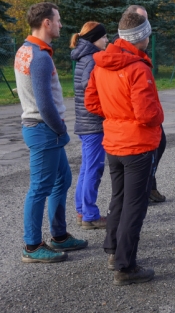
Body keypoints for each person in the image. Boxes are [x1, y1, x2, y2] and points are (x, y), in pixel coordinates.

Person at [85, 10, 163, 285]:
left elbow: (91, 103)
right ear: (142, 36)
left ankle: (112, 250)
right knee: (135, 204)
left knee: (118, 198)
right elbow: (147, 114)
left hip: (114, 142)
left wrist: (115, 114)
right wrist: (156, 118)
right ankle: (125, 265)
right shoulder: (137, 68)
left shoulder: (102, 63)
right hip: (137, 144)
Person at [14, 2, 88, 263]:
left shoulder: (27, 49)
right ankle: (32, 246)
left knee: (62, 180)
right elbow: (44, 105)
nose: (60, 24)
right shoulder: (40, 57)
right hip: (44, 130)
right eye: (57, 20)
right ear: (46, 22)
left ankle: (59, 235)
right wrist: (60, 129)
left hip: (42, 129)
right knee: (39, 188)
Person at [125, 5, 167, 202]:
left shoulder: (140, 56)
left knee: (158, 145)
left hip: (139, 120)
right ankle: (143, 192)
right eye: (142, 19)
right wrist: (157, 115)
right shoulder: (131, 62)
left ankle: (150, 186)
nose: (146, 25)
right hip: (134, 125)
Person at [70, 21, 109, 229]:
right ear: (94, 39)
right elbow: (89, 86)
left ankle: (81, 210)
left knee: (87, 168)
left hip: (85, 122)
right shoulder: (93, 59)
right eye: (103, 37)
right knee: (93, 168)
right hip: (93, 122)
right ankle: (90, 215)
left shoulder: (83, 57)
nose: (107, 40)